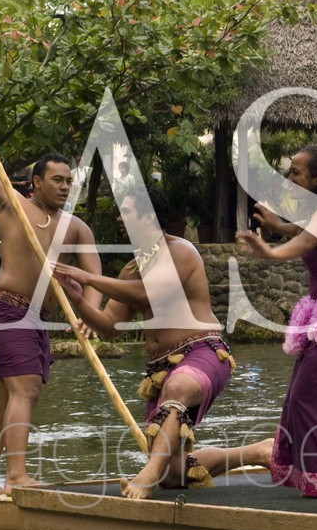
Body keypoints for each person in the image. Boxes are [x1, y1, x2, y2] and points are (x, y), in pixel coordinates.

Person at [196, 145, 317, 499]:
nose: (289, 178)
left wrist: (271, 251)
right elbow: (308, 231)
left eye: (296, 173)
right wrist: (278, 227)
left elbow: (305, 240)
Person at [0, 74, 101, 500]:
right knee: (26, 388)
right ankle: (16, 477)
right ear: (36, 183)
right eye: (57, 180)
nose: (65, 186)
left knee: (8, 398)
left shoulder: (76, 228)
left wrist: (90, 314)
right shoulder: (12, 207)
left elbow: (94, 275)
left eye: (69, 181)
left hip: (39, 317)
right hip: (8, 308)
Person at [53, 187, 235, 499]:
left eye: (126, 212)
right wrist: (79, 301)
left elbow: (146, 294)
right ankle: (259, 451)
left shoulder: (180, 252)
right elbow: (110, 326)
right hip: (160, 371)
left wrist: (88, 277)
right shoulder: (132, 268)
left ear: (148, 216)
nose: (119, 218)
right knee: (172, 475)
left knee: (178, 388)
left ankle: (147, 475)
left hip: (202, 354)